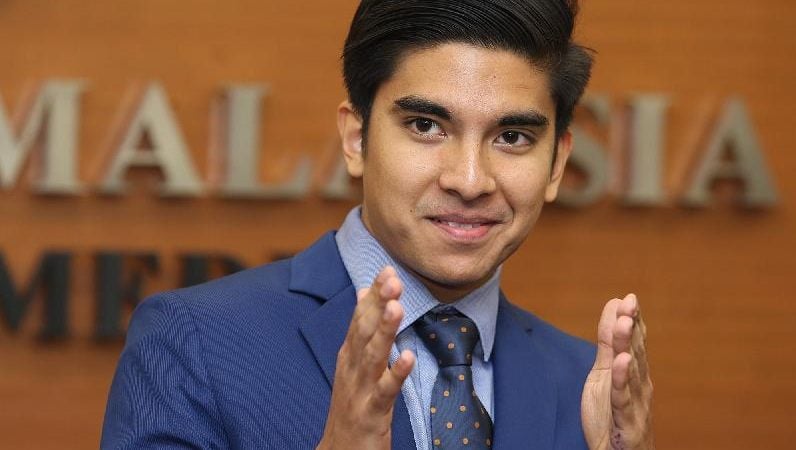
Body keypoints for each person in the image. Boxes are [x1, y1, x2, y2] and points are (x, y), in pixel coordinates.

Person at [101, 0, 653, 448]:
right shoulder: (195, 342)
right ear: (356, 138)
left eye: (512, 137)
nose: (469, 180)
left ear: (556, 164)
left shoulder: (586, 384)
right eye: (426, 126)